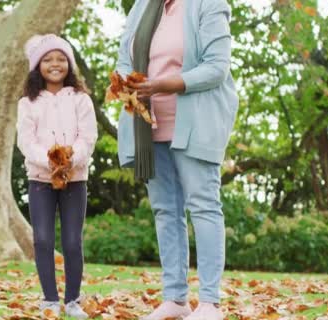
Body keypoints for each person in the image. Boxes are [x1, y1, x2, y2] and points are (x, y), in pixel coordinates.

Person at [115, 0, 239, 319]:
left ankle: (210, 303)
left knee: (203, 205)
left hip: (196, 123)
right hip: (149, 124)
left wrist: (162, 84)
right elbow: (124, 56)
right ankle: (175, 299)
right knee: (165, 210)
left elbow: (216, 67)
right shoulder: (143, 6)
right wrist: (128, 82)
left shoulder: (208, 5)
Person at [16, 34, 98, 319]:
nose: (55, 64)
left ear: (69, 64)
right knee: (42, 238)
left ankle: (73, 299)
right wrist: (49, 161)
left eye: (61, 58)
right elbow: (25, 142)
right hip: (40, 180)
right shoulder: (28, 102)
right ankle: (49, 299)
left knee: (72, 241)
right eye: (48, 59)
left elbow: (87, 138)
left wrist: (70, 159)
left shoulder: (80, 99)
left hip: (75, 180)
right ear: (37, 65)